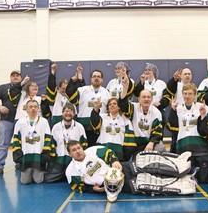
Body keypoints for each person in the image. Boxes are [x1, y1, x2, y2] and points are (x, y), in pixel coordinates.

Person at [65, 141, 197, 202]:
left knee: (144, 162)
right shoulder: (71, 171)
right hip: (114, 183)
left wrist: (115, 160)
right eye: (74, 150)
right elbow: (77, 187)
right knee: (144, 183)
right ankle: (182, 184)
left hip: (120, 168)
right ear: (70, 154)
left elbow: (108, 152)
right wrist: (95, 189)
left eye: (78, 148)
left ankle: (178, 162)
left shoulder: (92, 151)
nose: (78, 151)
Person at [167, 83, 208, 183]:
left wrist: (204, 118)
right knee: (184, 179)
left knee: (203, 180)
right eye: (185, 94)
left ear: (195, 95)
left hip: (201, 149)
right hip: (184, 148)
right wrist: (173, 111)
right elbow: (171, 127)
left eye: (190, 94)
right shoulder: (178, 108)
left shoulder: (202, 107)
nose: (187, 96)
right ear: (182, 95)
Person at [118, 73, 165, 156]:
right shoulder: (133, 108)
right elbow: (122, 105)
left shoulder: (156, 112)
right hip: (135, 144)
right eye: (143, 97)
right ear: (138, 99)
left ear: (151, 99)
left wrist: (151, 143)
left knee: (160, 147)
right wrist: (125, 88)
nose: (146, 99)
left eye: (148, 97)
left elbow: (157, 132)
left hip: (148, 143)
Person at [66, 68, 111, 147]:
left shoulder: (107, 92)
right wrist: (73, 82)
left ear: (102, 79)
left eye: (98, 76)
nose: (96, 78)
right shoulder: (82, 90)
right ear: (90, 79)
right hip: (84, 125)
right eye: (94, 76)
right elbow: (71, 96)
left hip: (100, 126)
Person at [44, 103, 88, 182]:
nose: (68, 113)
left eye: (70, 111)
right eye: (66, 111)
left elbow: (84, 145)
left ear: (74, 114)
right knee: (47, 179)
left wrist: (81, 160)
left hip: (73, 161)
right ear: (62, 113)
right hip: (59, 160)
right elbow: (52, 144)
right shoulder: (56, 127)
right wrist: (53, 160)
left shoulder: (79, 127)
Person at [0, 70, 22, 176]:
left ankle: (19, 162)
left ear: (21, 78)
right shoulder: (3, 87)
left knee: (21, 143)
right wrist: (0, 106)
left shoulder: (24, 88)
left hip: (21, 121)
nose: (15, 77)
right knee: (4, 143)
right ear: (10, 77)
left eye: (18, 76)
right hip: (6, 120)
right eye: (13, 76)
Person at [12, 100, 51, 184]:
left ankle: (41, 170)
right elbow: (15, 140)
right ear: (26, 109)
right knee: (25, 181)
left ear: (38, 108)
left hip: (38, 156)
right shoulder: (20, 122)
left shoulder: (44, 122)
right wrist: (19, 155)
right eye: (30, 107)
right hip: (26, 156)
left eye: (35, 107)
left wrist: (45, 155)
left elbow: (48, 139)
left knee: (38, 180)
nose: (33, 109)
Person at [158, 67, 193, 153]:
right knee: (175, 141)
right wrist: (174, 79)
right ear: (181, 76)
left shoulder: (193, 87)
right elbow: (169, 89)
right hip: (177, 118)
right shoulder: (177, 85)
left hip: (190, 118)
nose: (187, 76)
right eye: (185, 74)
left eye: (189, 74)